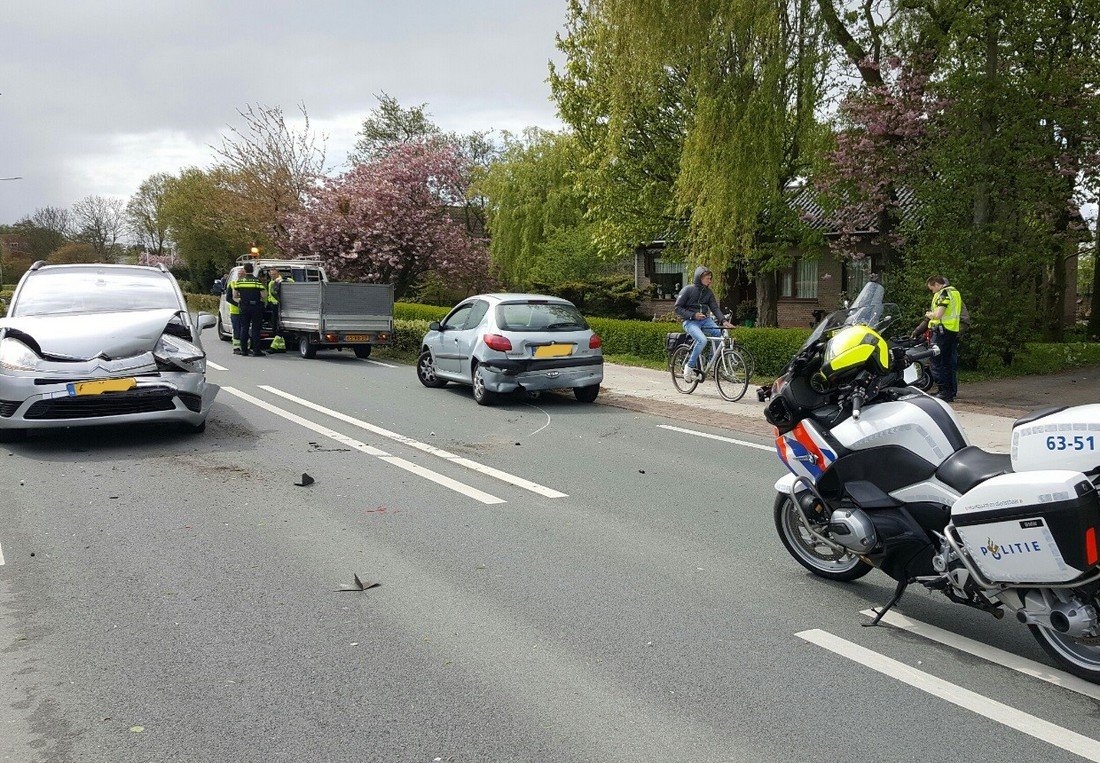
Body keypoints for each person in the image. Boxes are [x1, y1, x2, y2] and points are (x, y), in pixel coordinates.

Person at [674, 266, 735, 380]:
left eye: (710, 278)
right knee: (702, 340)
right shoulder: (688, 290)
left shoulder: (708, 293)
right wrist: (693, 315)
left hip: (705, 321)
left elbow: (715, 308)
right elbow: (677, 308)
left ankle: (710, 364)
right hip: (690, 322)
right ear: (700, 278)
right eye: (707, 278)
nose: (710, 281)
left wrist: (724, 321)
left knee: (719, 334)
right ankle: (689, 366)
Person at [925, 275, 963, 402]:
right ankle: (950, 391)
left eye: (932, 288)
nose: (932, 291)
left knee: (936, 360)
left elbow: (938, 314)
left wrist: (929, 315)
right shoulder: (955, 292)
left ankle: (943, 391)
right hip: (952, 330)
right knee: (947, 361)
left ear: (936, 284)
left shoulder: (944, 294)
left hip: (943, 331)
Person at [233, 262, 267, 357]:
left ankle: (244, 350)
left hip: (244, 307)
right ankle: (256, 351)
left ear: (244, 270)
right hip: (256, 307)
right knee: (256, 329)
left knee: (244, 328)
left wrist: (243, 296)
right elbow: (264, 295)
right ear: (252, 270)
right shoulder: (257, 281)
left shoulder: (239, 282)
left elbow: (235, 295)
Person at [224, 270, 243, 354]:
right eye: (239, 274)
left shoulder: (246, 284)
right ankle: (236, 348)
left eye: (242, 274)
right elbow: (228, 298)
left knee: (244, 329)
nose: (241, 275)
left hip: (245, 311)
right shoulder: (232, 283)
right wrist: (237, 305)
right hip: (235, 311)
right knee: (236, 329)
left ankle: (244, 347)